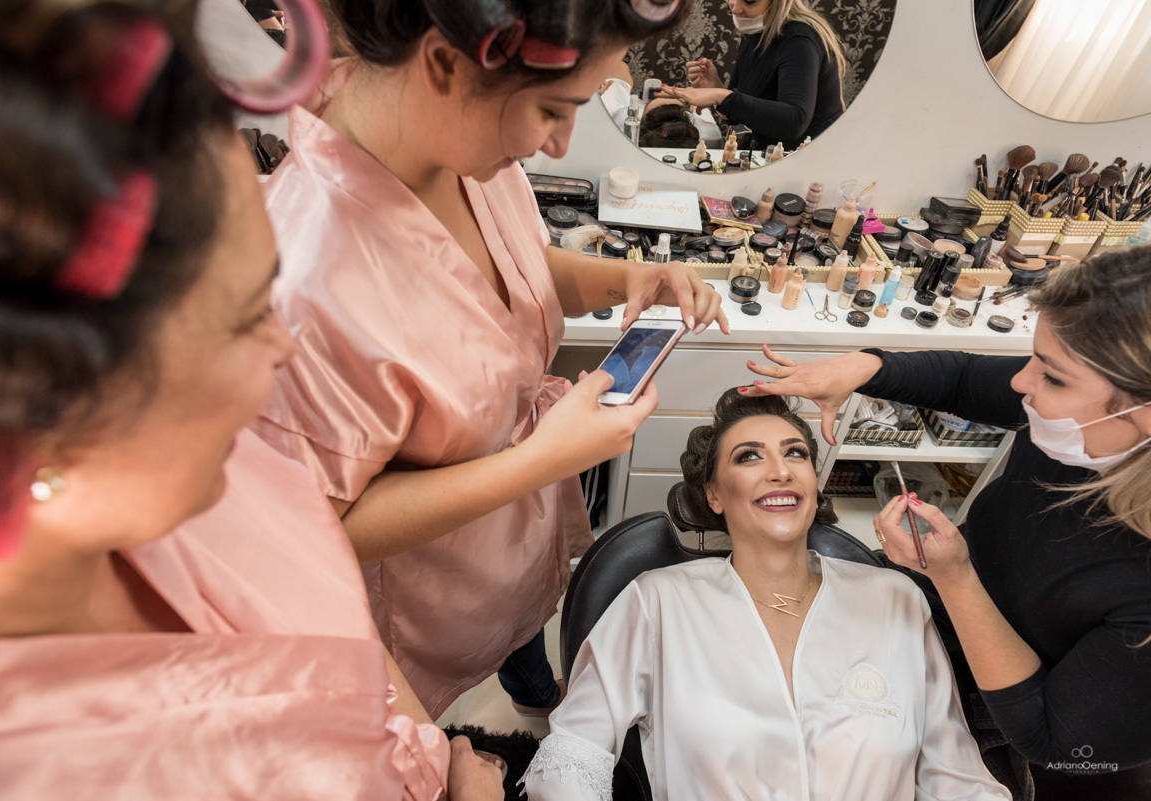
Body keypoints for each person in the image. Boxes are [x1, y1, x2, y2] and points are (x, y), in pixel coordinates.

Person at [0, 3, 498, 798]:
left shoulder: (224, 469)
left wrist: (436, 767)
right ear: (57, 418)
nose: (283, 345)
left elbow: (347, 641)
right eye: (250, 317)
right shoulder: (33, 765)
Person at [254, 0, 728, 719]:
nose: (563, 145)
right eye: (554, 109)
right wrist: (542, 460)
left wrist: (624, 279)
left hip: (515, 549)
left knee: (526, 642)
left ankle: (535, 690)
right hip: (430, 597)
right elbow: (323, 525)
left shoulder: (460, 145)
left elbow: (515, 267)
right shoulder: (301, 278)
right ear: (445, 64)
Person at [743, 248, 1151, 800]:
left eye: (1051, 378)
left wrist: (956, 580)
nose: (1020, 384)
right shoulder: (1082, 412)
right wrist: (867, 366)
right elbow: (963, 379)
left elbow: (1051, 738)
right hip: (952, 621)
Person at [519, 390, 1011, 801]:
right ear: (713, 494)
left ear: (816, 487)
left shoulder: (895, 598)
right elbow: (572, 753)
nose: (781, 470)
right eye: (749, 456)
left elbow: (957, 775)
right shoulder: (658, 603)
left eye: (796, 453)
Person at [660, 0, 845, 151]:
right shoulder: (756, 30)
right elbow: (739, 113)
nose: (736, 7)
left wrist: (721, 95)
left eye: (750, 1)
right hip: (772, 154)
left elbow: (794, 121)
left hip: (812, 159)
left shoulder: (799, 41)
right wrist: (714, 89)